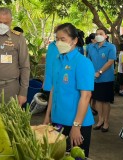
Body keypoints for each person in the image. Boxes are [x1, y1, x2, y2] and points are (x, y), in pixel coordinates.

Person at [43, 23, 95, 157]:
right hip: (58, 121)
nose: (59, 42)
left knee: (76, 157)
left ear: (75, 40)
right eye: (57, 39)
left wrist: (76, 126)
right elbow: (53, 90)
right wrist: (48, 116)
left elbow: (86, 96)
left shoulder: (82, 62)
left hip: (77, 122)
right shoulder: (57, 60)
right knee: (58, 156)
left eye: (63, 39)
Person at [87, 28, 116, 133]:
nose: (98, 35)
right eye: (96, 34)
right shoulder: (91, 47)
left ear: (106, 36)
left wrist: (100, 72)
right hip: (94, 78)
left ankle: (106, 122)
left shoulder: (111, 47)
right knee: (98, 100)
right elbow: (88, 60)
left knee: (106, 101)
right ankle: (100, 120)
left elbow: (110, 61)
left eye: (101, 34)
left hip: (106, 78)